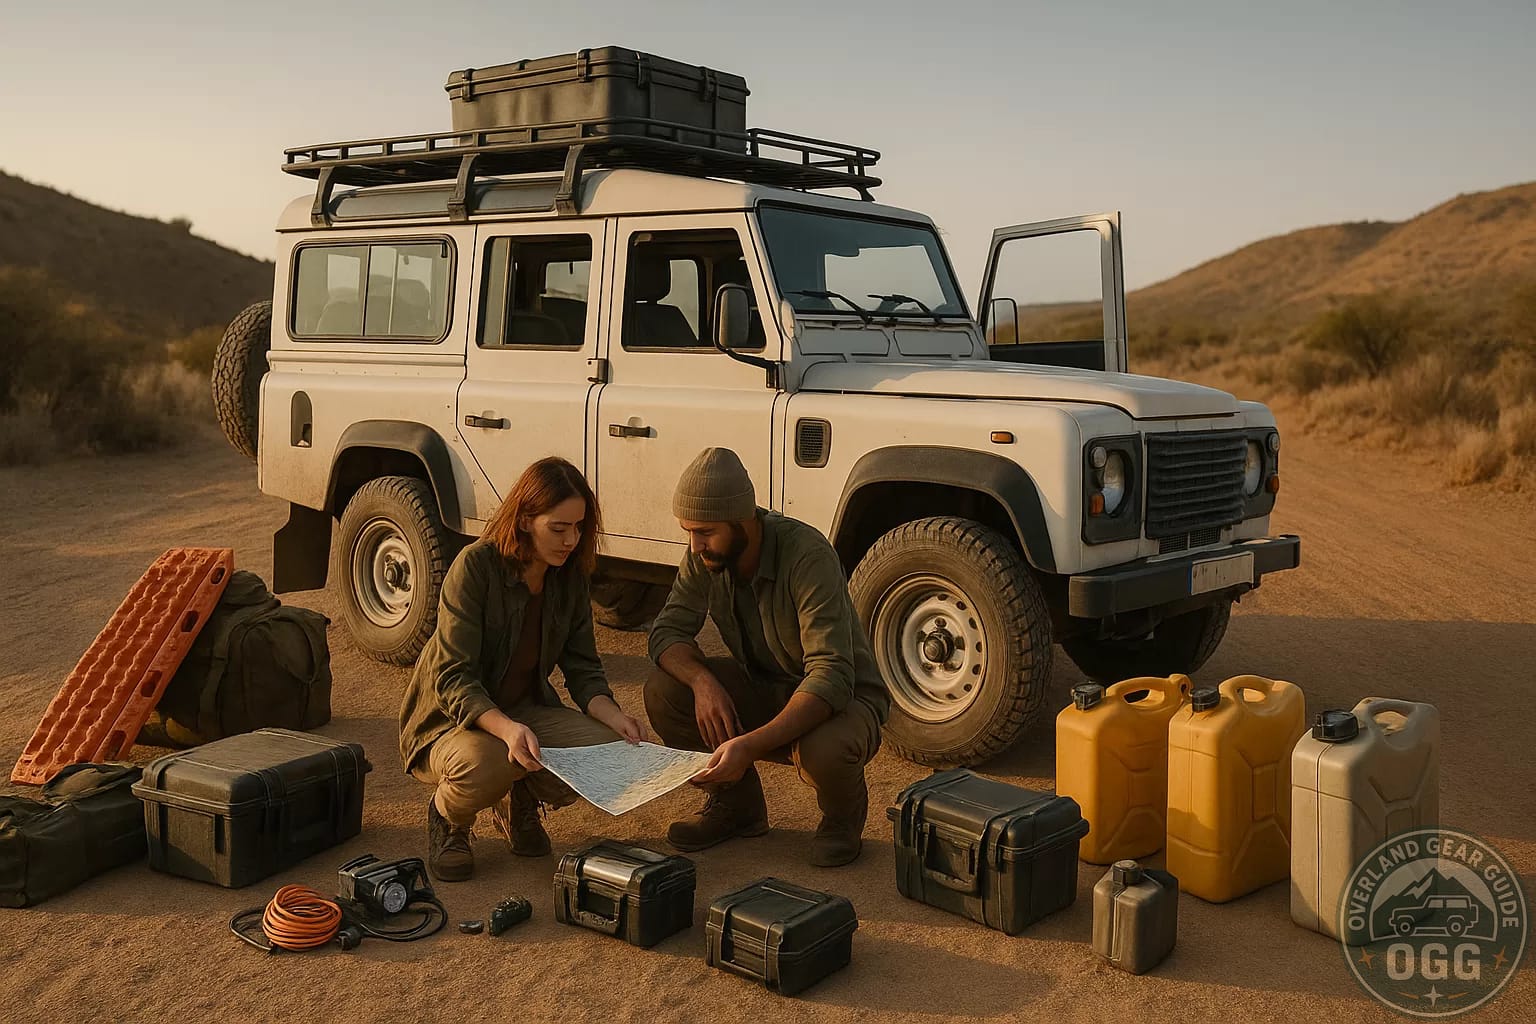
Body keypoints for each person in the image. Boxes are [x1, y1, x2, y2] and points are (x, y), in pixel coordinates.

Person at [399, 456, 644, 881]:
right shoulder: (475, 567)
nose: (571, 540)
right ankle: (449, 818)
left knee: (609, 755)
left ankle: (519, 800)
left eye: (579, 527)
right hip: (449, 722)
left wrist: (616, 718)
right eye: (559, 527)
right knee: (488, 762)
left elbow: (584, 670)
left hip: (522, 712)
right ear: (527, 518)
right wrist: (508, 730)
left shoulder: (568, 576)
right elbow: (453, 678)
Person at [644, 447, 889, 867]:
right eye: (689, 531)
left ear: (743, 523)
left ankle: (841, 821)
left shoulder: (806, 554)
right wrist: (703, 684)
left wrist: (748, 745)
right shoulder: (705, 554)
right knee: (667, 691)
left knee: (825, 749)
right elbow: (667, 633)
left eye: (704, 532)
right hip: (765, 686)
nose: (694, 544)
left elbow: (830, 675)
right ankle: (737, 808)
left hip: (842, 702)